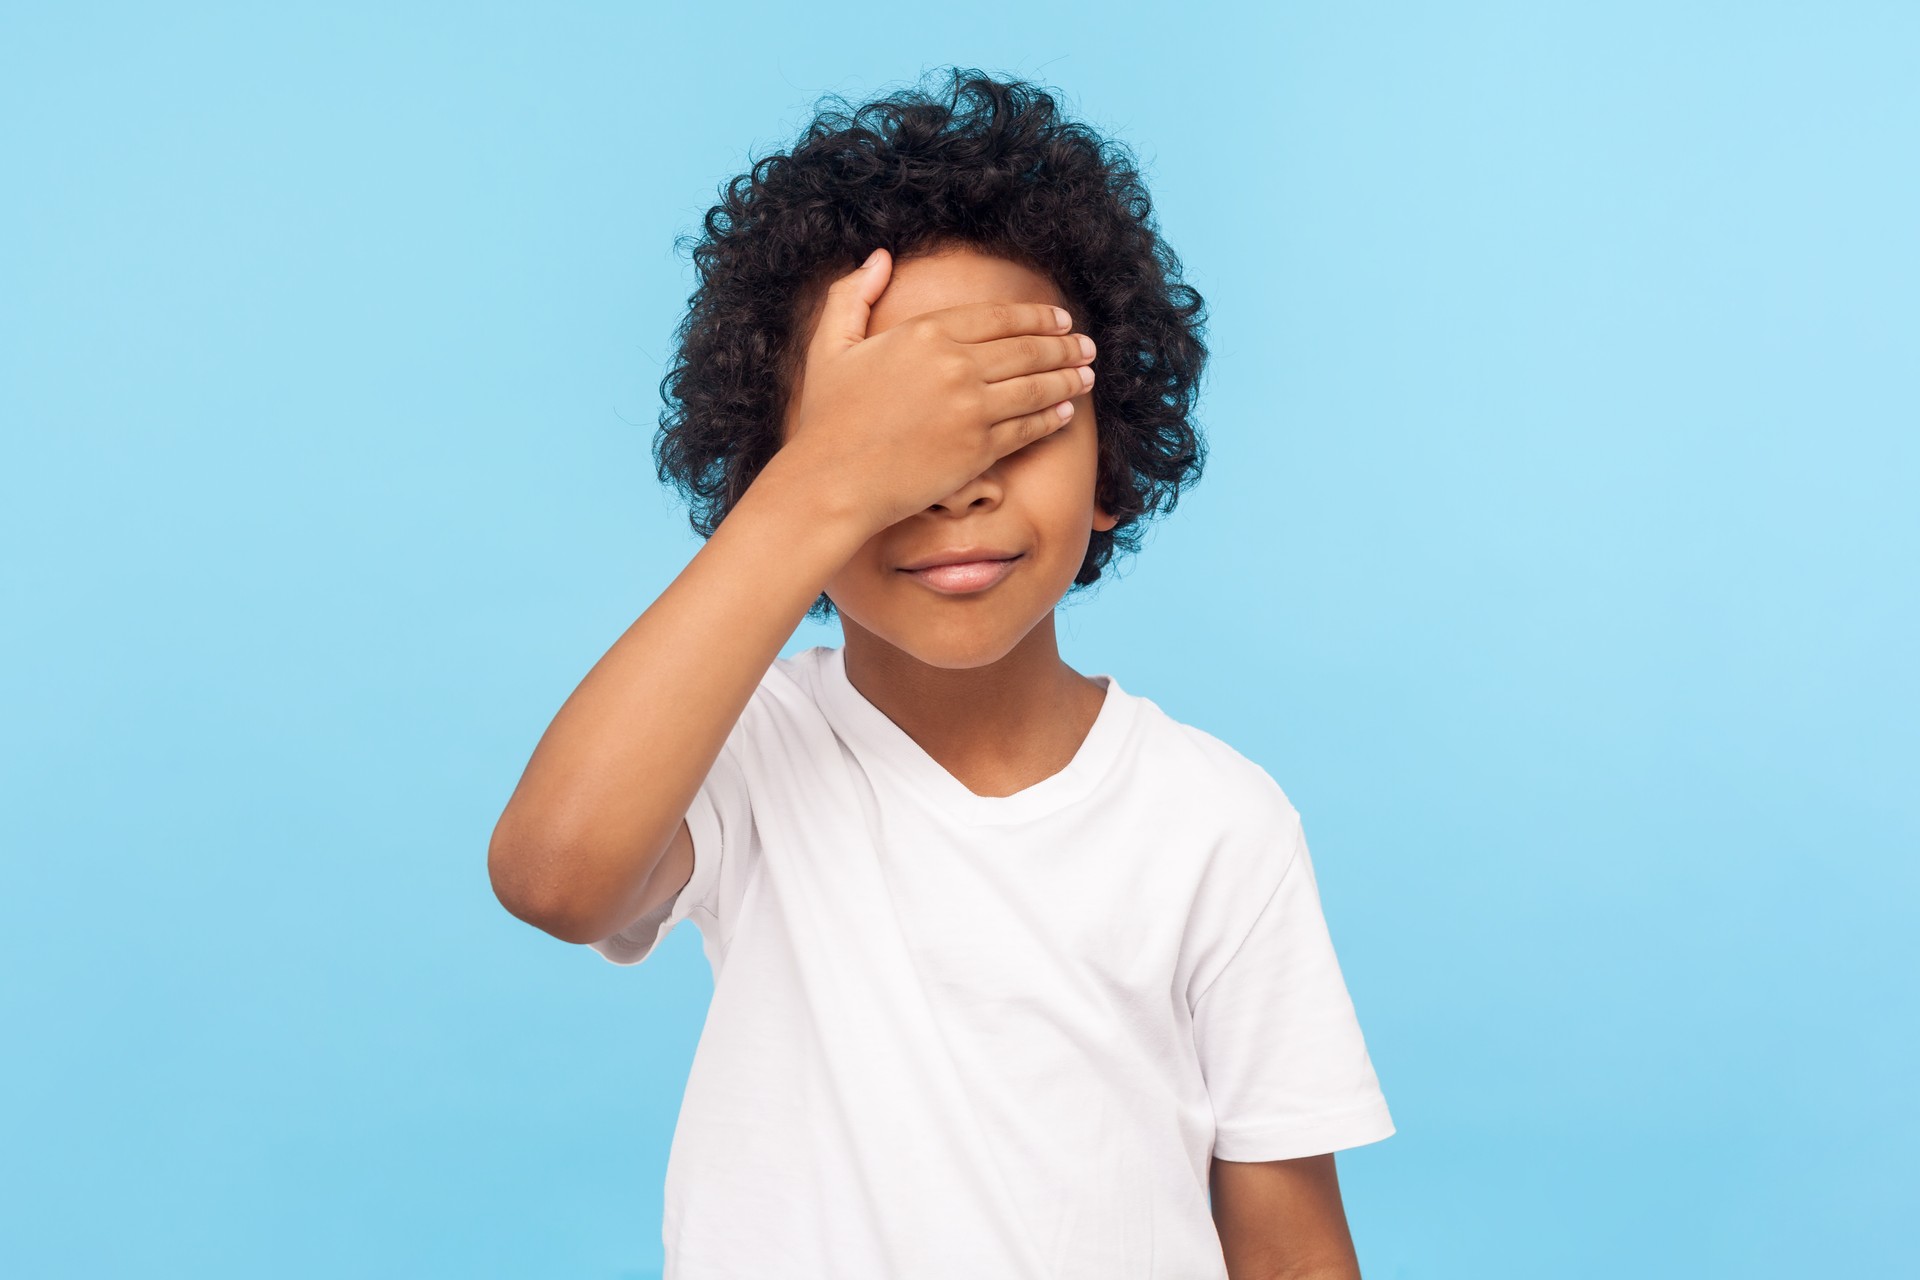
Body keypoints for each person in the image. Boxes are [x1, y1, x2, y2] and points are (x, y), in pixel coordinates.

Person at [489, 67, 1394, 1280]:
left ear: (1114, 459)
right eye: (892, 443)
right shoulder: (744, 756)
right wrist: (824, 479)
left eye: (1012, 423)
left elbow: (1287, 1243)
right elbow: (556, 877)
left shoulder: (1219, 821)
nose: (956, 484)